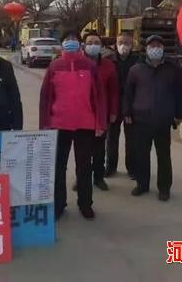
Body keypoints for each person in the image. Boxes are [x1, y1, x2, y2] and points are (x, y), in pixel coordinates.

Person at [39, 29, 106, 220]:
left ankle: (85, 204)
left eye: (74, 39)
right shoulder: (54, 66)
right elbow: (45, 97)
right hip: (59, 124)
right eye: (67, 39)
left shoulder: (90, 66)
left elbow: (99, 96)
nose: (71, 41)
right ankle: (59, 204)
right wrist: (45, 123)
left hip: (85, 124)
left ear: (80, 43)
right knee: (58, 166)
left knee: (84, 166)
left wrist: (100, 122)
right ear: (62, 44)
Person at [124, 35, 182, 201]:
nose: (155, 49)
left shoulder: (172, 69)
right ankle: (142, 184)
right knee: (141, 154)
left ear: (163, 49)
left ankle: (164, 188)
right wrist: (127, 113)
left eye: (158, 46)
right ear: (146, 49)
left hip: (163, 120)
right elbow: (128, 94)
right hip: (141, 120)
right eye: (152, 46)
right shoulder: (136, 70)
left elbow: (181, 93)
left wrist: (179, 114)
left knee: (164, 156)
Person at [82, 31, 118, 191]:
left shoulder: (108, 65)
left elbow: (113, 91)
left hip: (101, 113)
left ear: (102, 46)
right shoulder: (78, 63)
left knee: (99, 149)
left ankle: (98, 177)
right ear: (83, 45)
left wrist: (113, 111)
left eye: (96, 43)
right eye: (89, 43)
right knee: (82, 150)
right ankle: (82, 178)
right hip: (81, 113)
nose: (93, 46)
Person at [106, 31, 139, 179]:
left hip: (131, 106)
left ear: (132, 45)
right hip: (114, 105)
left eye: (127, 43)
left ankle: (132, 168)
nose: (123, 46)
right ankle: (110, 167)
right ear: (115, 44)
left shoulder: (138, 61)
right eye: (120, 42)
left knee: (131, 139)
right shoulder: (109, 60)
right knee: (111, 138)